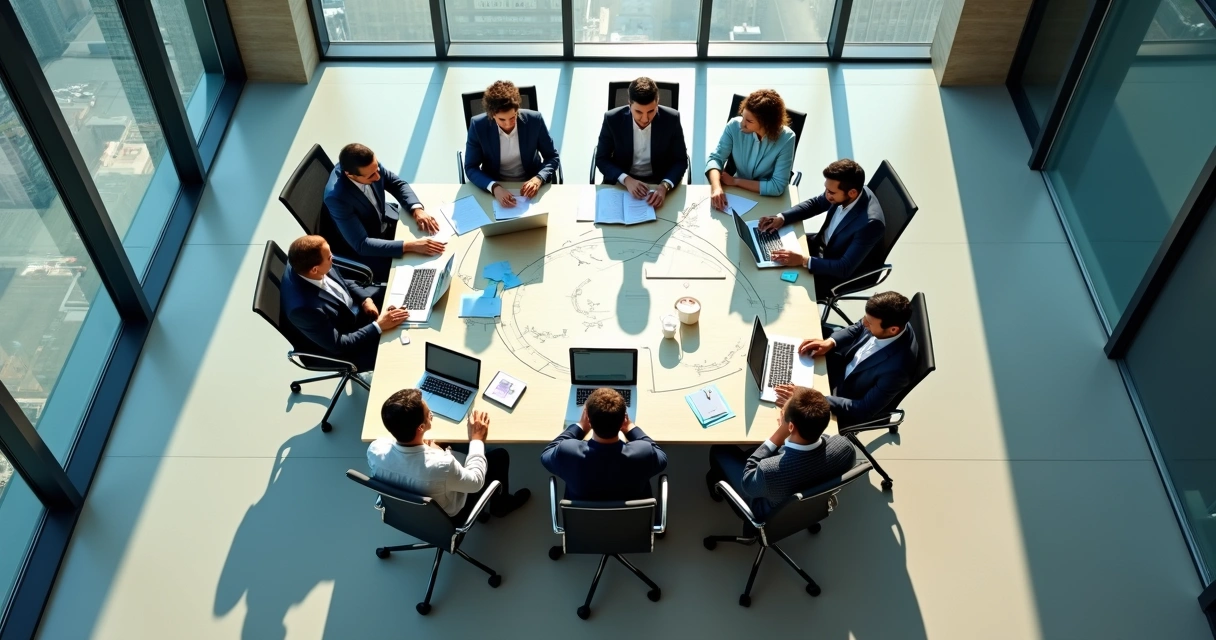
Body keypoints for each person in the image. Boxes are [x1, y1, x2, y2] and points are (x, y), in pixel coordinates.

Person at [368, 389, 530, 521]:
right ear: (420, 428)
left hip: (407, 513)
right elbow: (476, 482)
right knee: (500, 456)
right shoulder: (441, 465)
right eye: (428, 413)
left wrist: (429, 448)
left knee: (447, 444)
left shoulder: (375, 450)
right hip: (448, 516)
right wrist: (477, 439)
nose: (431, 413)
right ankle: (500, 507)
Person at [707, 387, 855, 520]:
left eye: (783, 411)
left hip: (769, 510)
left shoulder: (769, 470)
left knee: (719, 450)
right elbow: (825, 440)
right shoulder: (845, 448)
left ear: (790, 426)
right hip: (808, 501)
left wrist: (778, 435)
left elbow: (747, 483)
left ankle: (713, 481)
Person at [781, 291, 917, 426]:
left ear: (893, 330)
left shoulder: (898, 370)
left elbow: (863, 409)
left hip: (840, 399)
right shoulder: (888, 320)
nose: (864, 323)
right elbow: (858, 327)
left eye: (869, 323)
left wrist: (810, 398)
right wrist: (831, 342)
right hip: (839, 366)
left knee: (785, 412)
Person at [759, 159, 886, 300]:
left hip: (833, 271)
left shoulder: (870, 224)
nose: (826, 195)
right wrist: (782, 218)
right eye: (826, 189)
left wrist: (803, 261)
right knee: (768, 251)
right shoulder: (846, 192)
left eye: (831, 192)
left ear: (852, 193)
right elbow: (816, 204)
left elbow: (844, 268)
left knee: (779, 288)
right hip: (820, 246)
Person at [280, 235, 409, 372]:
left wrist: (366, 299)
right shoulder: (303, 308)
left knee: (403, 293)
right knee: (401, 353)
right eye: (329, 257)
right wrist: (378, 326)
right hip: (346, 341)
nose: (333, 258)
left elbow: (342, 280)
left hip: (355, 310)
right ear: (315, 270)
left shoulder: (310, 264)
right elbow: (340, 345)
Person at [323, 143, 445, 281]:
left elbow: (396, 184)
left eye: (377, 169)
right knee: (420, 272)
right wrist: (410, 246)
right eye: (371, 176)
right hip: (371, 246)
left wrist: (416, 209)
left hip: (387, 219)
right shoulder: (337, 198)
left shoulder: (369, 166)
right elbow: (362, 244)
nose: (377, 177)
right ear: (350, 175)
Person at [541, 388, 668, 501]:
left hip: (583, 520)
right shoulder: (644, 454)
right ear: (623, 420)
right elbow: (661, 456)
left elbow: (547, 453)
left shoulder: (567, 453)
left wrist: (580, 427)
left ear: (588, 419)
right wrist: (630, 428)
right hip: (633, 520)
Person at [464, 80, 561, 209]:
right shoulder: (478, 125)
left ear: (517, 110)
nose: (508, 124)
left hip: (530, 184)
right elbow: (471, 167)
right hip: (495, 185)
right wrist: (494, 187)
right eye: (502, 119)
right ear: (492, 115)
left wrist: (538, 178)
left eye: (512, 117)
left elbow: (552, 157)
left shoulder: (534, 120)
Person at [594, 77, 688, 209]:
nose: (645, 119)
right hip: (623, 183)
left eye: (651, 111)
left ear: (657, 102)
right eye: (638, 112)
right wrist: (626, 179)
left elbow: (681, 160)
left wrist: (664, 186)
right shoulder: (612, 119)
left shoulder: (672, 119)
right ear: (629, 103)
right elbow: (601, 159)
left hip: (658, 183)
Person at [706, 89, 796, 210]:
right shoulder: (733, 126)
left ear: (766, 123)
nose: (742, 124)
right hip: (737, 195)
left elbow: (777, 186)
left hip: (768, 199)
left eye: (749, 121)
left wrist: (736, 181)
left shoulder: (787, 138)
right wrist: (716, 188)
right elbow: (715, 159)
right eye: (743, 116)